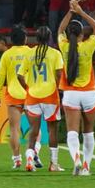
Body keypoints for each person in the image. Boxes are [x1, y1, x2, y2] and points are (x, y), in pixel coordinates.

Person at [57, 0, 95, 176]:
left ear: (68, 35)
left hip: (71, 94)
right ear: (82, 34)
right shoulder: (88, 46)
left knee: (72, 132)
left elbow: (59, 29)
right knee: (88, 132)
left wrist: (70, 11)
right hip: (89, 93)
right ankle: (86, 167)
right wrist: (81, 12)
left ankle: (76, 158)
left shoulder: (64, 46)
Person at [18, 25, 64, 173]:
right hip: (50, 96)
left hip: (33, 96)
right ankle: (53, 164)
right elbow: (59, 75)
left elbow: (19, 75)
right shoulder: (55, 54)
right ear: (49, 38)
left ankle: (30, 159)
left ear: (36, 38)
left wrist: (28, 88)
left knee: (34, 130)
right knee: (52, 131)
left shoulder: (29, 53)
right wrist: (58, 88)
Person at [0, 26, 33, 169]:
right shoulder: (30, 52)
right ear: (25, 39)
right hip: (30, 94)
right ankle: (31, 156)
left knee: (14, 129)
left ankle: (17, 159)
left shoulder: (7, 54)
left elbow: (0, 77)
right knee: (34, 128)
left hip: (13, 94)